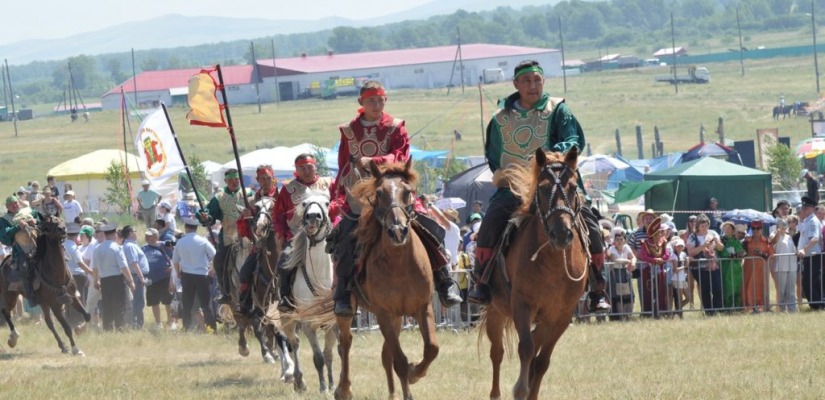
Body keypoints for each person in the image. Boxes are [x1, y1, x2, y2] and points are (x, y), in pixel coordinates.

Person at [467, 60, 609, 312]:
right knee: (490, 222)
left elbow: (573, 139)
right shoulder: (500, 118)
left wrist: (553, 157)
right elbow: (494, 154)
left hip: (554, 179)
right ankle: (482, 281)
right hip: (515, 186)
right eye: (526, 81)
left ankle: (598, 286)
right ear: (516, 84)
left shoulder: (558, 110)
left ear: (543, 81)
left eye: (537, 80)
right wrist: (510, 174)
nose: (533, 86)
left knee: (591, 224)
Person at [328, 80, 461, 317]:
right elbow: (343, 166)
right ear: (361, 102)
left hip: (395, 189)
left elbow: (401, 156)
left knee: (427, 225)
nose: (377, 104)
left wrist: (374, 162)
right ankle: (343, 293)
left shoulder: (396, 126)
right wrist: (340, 196)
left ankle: (444, 279)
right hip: (360, 193)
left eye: (380, 100)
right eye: (371, 100)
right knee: (346, 236)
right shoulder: (348, 131)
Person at [268, 156, 331, 314]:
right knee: (285, 260)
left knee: (347, 256)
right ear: (296, 170)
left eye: (309, 167)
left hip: (328, 233)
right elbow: (279, 214)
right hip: (297, 236)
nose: (307, 171)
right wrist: (281, 234)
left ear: (315, 167)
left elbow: (339, 201)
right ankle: (286, 298)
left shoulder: (328, 183)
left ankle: (348, 296)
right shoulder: (288, 188)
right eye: (302, 168)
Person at [197, 168, 254, 305]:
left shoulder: (249, 193)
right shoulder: (219, 197)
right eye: (231, 180)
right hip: (229, 235)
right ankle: (225, 291)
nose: (234, 182)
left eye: (236, 179)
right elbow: (210, 215)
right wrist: (206, 216)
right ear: (225, 181)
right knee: (219, 261)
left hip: (249, 234)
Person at [234, 164, 279, 316]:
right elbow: (245, 230)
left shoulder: (281, 197)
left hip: (280, 241)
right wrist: (247, 218)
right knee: (245, 271)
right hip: (260, 244)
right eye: (262, 179)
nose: (266, 181)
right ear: (257, 180)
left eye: (268, 178)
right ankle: (244, 303)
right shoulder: (252, 201)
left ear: (273, 179)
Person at [173, 217, 217, 332]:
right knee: (206, 305)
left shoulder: (180, 242)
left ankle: (186, 328)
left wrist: (178, 273)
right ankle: (211, 329)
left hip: (187, 275)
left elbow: (175, 261)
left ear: (186, 228)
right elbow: (214, 255)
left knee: (187, 304)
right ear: (196, 228)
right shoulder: (203, 241)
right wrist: (213, 269)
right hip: (202, 275)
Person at [0, 195, 43, 304]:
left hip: (39, 245)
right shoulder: (4, 219)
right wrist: (17, 226)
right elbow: (4, 236)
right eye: (11, 205)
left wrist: (36, 221)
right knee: (24, 269)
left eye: (15, 203)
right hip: (20, 250)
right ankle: (32, 297)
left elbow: (43, 220)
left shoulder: (29, 211)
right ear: (7, 207)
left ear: (18, 203)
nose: (14, 206)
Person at [92, 222, 135, 331]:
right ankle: (121, 327)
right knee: (120, 304)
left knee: (107, 305)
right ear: (115, 234)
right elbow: (124, 267)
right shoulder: (117, 248)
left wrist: (95, 281)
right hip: (117, 280)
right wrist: (131, 280)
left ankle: (108, 328)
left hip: (104, 280)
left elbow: (95, 268)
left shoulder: (97, 249)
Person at [686, 214, 724, 315]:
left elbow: (721, 248)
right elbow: (691, 252)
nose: (705, 228)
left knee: (717, 288)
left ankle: (717, 309)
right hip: (699, 267)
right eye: (702, 226)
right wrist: (703, 246)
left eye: (706, 225)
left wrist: (717, 242)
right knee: (705, 289)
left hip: (714, 266)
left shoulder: (713, 233)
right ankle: (709, 312)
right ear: (697, 226)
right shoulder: (693, 236)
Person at [637, 217, 672, 317]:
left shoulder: (663, 242)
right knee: (648, 291)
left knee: (661, 291)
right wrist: (654, 260)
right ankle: (648, 312)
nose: (659, 235)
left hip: (660, 271)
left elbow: (667, 254)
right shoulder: (646, 243)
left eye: (660, 233)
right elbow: (644, 256)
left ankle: (661, 311)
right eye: (657, 233)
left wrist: (662, 259)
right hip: (648, 271)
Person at [142, 228, 175, 330]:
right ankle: (158, 323)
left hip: (164, 278)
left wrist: (172, 269)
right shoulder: (143, 248)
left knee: (167, 301)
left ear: (156, 237)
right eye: (146, 236)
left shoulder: (164, 246)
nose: (147, 238)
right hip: (151, 280)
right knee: (154, 302)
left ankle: (171, 321)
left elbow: (174, 259)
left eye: (150, 236)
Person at [797, 196, 823, 310]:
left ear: (812, 208)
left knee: (809, 282)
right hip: (808, 256)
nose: (803, 209)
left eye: (805, 207)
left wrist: (804, 249)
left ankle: (817, 305)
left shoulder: (812, 221)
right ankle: (816, 304)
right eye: (803, 207)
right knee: (809, 282)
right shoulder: (807, 220)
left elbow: (815, 238)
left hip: (813, 256)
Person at [64, 223, 93, 328]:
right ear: (76, 235)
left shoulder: (62, 245)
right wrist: (91, 272)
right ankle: (79, 321)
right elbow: (80, 263)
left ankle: (69, 321)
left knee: (68, 299)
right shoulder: (73, 247)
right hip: (77, 276)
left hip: (66, 276)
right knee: (80, 299)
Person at [120, 225, 149, 329]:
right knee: (138, 301)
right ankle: (137, 324)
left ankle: (137, 323)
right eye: (135, 231)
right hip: (136, 276)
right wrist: (141, 277)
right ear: (130, 233)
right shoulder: (130, 246)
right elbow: (133, 263)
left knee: (138, 300)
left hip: (136, 276)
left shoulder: (131, 245)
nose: (137, 233)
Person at [606, 227, 636, 320]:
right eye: (617, 239)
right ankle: (620, 316)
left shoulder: (626, 247)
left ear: (624, 240)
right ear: (614, 240)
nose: (619, 241)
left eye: (621, 239)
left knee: (629, 294)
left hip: (625, 273)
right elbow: (616, 260)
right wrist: (628, 261)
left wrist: (633, 263)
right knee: (618, 295)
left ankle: (628, 316)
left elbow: (633, 257)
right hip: (615, 273)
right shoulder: (611, 249)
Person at [771, 218, 799, 313]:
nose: (784, 227)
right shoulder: (773, 235)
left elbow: (793, 249)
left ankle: (792, 309)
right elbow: (772, 243)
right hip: (780, 266)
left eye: (785, 225)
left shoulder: (789, 237)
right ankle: (782, 309)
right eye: (782, 225)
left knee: (791, 289)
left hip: (791, 265)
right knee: (781, 290)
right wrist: (778, 233)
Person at [718, 221, 745, 311]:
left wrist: (736, 255)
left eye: (729, 227)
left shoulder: (736, 240)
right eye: (725, 227)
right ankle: (727, 308)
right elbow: (720, 252)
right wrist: (729, 255)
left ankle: (737, 307)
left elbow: (741, 252)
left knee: (737, 287)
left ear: (733, 230)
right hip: (726, 267)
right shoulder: (721, 240)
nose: (727, 229)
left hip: (736, 267)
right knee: (727, 287)